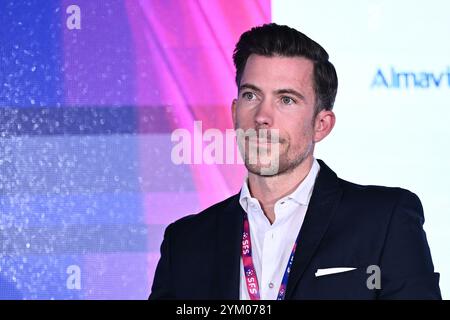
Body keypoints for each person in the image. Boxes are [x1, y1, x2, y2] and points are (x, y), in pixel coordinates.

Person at [149, 23, 441, 300]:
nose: (262, 115)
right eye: (251, 95)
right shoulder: (185, 242)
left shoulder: (385, 219)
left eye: (286, 99)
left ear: (321, 124)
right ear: (235, 111)